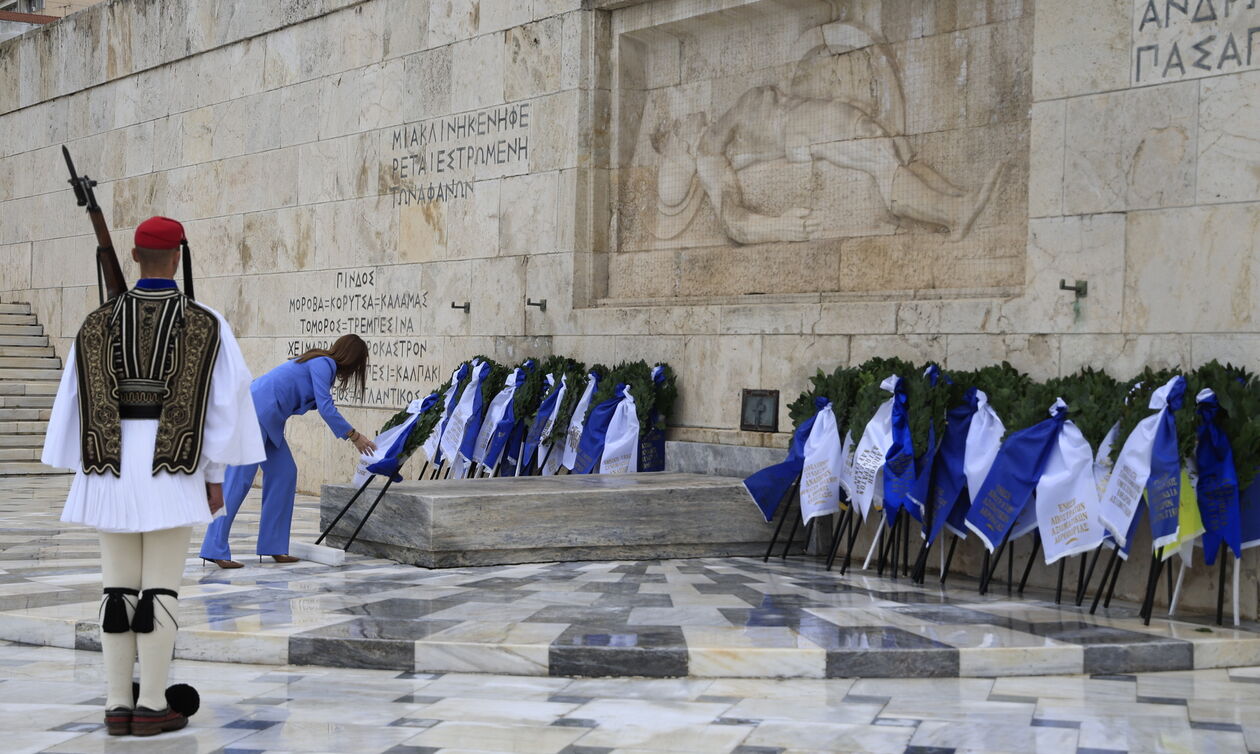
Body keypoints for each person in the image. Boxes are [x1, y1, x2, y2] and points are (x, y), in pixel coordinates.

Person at [42, 216, 266, 736]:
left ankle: (118, 704)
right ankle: (153, 704)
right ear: (179, 258)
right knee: (160, 590)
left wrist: (88, 466)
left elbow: (74, 400)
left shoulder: (96, 322)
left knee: (117, 590)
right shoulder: (205, 322)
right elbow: (223, 408)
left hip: (110, 467)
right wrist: (214, 475)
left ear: (136, 257)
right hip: (173, 466)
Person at [199, 334, 377, 568]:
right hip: (253, 414)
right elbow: (325, 407)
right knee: (239, 480)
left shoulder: (322, 365)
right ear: (352, 359)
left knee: (284, 473)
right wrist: (354, 436)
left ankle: (274, 545)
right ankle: (214, 548)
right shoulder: (324, 363)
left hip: (269, 419)